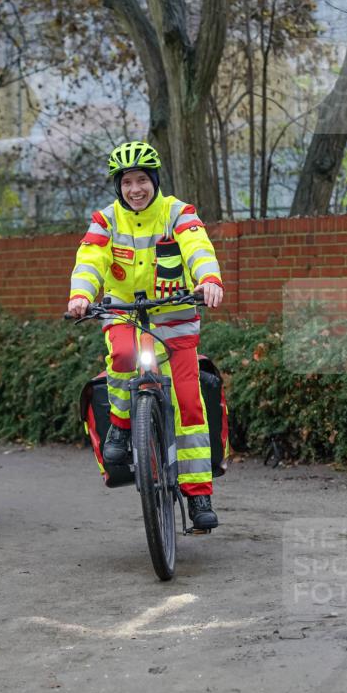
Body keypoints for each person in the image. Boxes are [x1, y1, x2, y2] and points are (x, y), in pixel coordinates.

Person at [67, 141, 224, 530]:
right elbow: (90, 259)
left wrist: (208, 279)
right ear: (118, 187)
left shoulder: (178, 212)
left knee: (189, 402)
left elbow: (197, 247)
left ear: (154, 181)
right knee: (121, 357)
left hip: (175, 322)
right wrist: (81, 296)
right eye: (127, 182)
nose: (135, 189)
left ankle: (198, 494)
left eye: (142, 180)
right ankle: (121, 427)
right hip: (125, 315)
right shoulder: (105, 221)